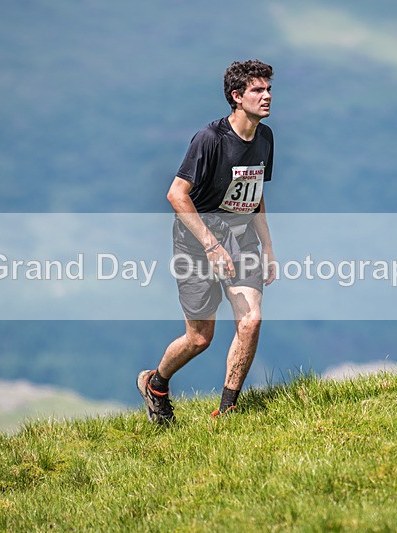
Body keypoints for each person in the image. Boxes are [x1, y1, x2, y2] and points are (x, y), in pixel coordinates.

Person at [137, 59, 277, 424]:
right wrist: (212, 246)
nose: (267, 96)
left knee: (251, 320)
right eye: (257, 90)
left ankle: (228, 410)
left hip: (242, 238)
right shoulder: (210, 139)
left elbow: (255, 195)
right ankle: (156, 384)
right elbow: (176, 194)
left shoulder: (265, 137)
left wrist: (269, 248)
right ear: (236, 97)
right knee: (199, 339)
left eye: (268, 89)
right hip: (196, 244)